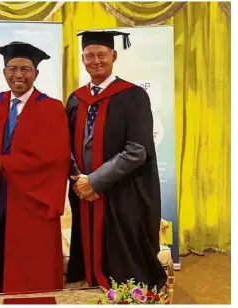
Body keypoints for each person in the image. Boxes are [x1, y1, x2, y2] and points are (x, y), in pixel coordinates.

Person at [0, 42, 71, 294]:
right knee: (0, 257)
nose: (18, 75)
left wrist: (5, 163)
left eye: (25, 69)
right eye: (12, 69)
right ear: (4, 72)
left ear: (36, 74)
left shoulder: (51, 108)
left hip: (33, 200)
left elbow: (55, 156)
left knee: (34, 263)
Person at [65, 30, 167, 290]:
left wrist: (96, 181)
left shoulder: (133, 96)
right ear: (82, 59)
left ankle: (125, 293)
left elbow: (137, 149)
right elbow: (65, 144)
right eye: (89, 56)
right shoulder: (76, 99)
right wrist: (79, 178)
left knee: (123, 254)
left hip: (122, 190)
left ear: (114, 55)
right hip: (83, 188)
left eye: (101, 55)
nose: (95, 61)